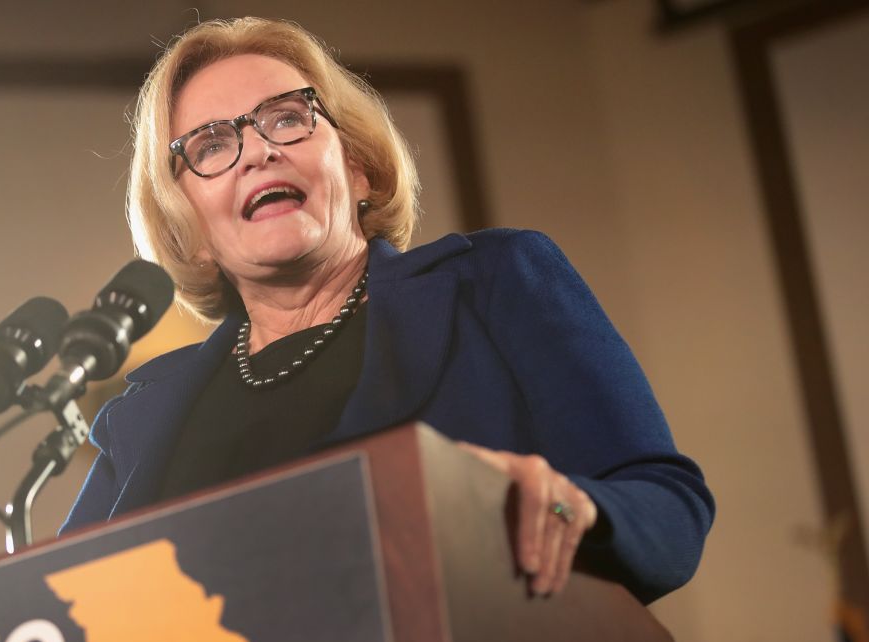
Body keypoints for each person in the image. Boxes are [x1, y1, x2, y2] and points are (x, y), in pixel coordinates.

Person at [59, 17, 713, 604]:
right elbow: (53, 613)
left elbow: (668, 511)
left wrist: (575, 509)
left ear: (358, 165)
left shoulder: (494, 284)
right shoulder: (142, 418)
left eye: (287, 117)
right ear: (189, 229)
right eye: (209, 146)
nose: (259, 150)